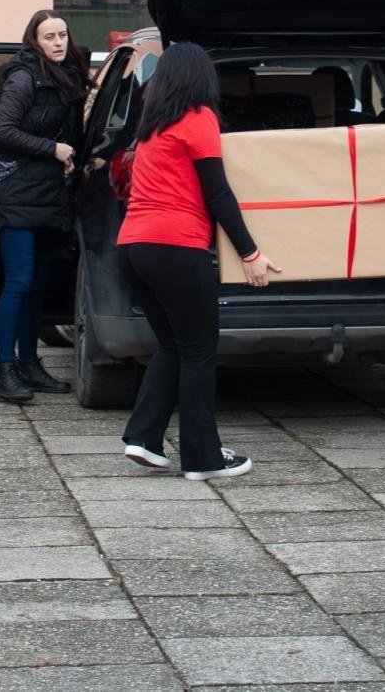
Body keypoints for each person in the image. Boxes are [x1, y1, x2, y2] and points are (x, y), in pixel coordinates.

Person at [118, 42, 280, 480]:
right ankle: (203, 458)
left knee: (173, 345)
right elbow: (218, 193)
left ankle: (143, 438)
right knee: (199, 353)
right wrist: (252, 253)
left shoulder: (151, 127)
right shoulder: (199, 119)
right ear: (200, 78)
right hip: (176, 249)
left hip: (132, 248)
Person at [0, 9, 92, 403]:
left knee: (38, 285)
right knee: (19, 281)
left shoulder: (67, 76)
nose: (59, 42)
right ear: (35, 41)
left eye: (63, 34)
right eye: (50, 37)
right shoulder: (24, 77)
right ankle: (6, 370)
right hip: (15, 195)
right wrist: (53, 149)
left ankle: (29, 364)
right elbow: (3, 134)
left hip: (48, 195)